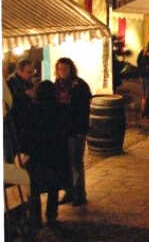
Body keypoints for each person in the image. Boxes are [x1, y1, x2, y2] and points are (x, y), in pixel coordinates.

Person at [23, 81, 71, 228]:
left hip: (38, 152)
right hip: (55, 151)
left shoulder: (32, 109)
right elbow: (65, 128)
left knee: (35, 186)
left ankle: (35, 217)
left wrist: (27, 150)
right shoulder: (61, 108)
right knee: (53, 186)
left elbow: (27, 132)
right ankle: (51, 215)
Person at [54, 58, 91, 207]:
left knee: (76, 163)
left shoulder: (79, 85)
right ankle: (69, 192)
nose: (62, 72)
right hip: (62, 131)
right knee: (65, 163)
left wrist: (81, 130)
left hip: (75, 130)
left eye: (65, 69)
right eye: (60, 69)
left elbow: (83, 110)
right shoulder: (57, 85)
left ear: (71, 69)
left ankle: (79, 194)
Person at [6, 59, 36, 147]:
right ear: (19, 71)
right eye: (29, 72)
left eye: (33, 71)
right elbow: (13, 101)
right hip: (18, 123)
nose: (32, 74)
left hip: (25, 123)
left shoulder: (26, 82)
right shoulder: (12, 83)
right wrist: (26, 94)